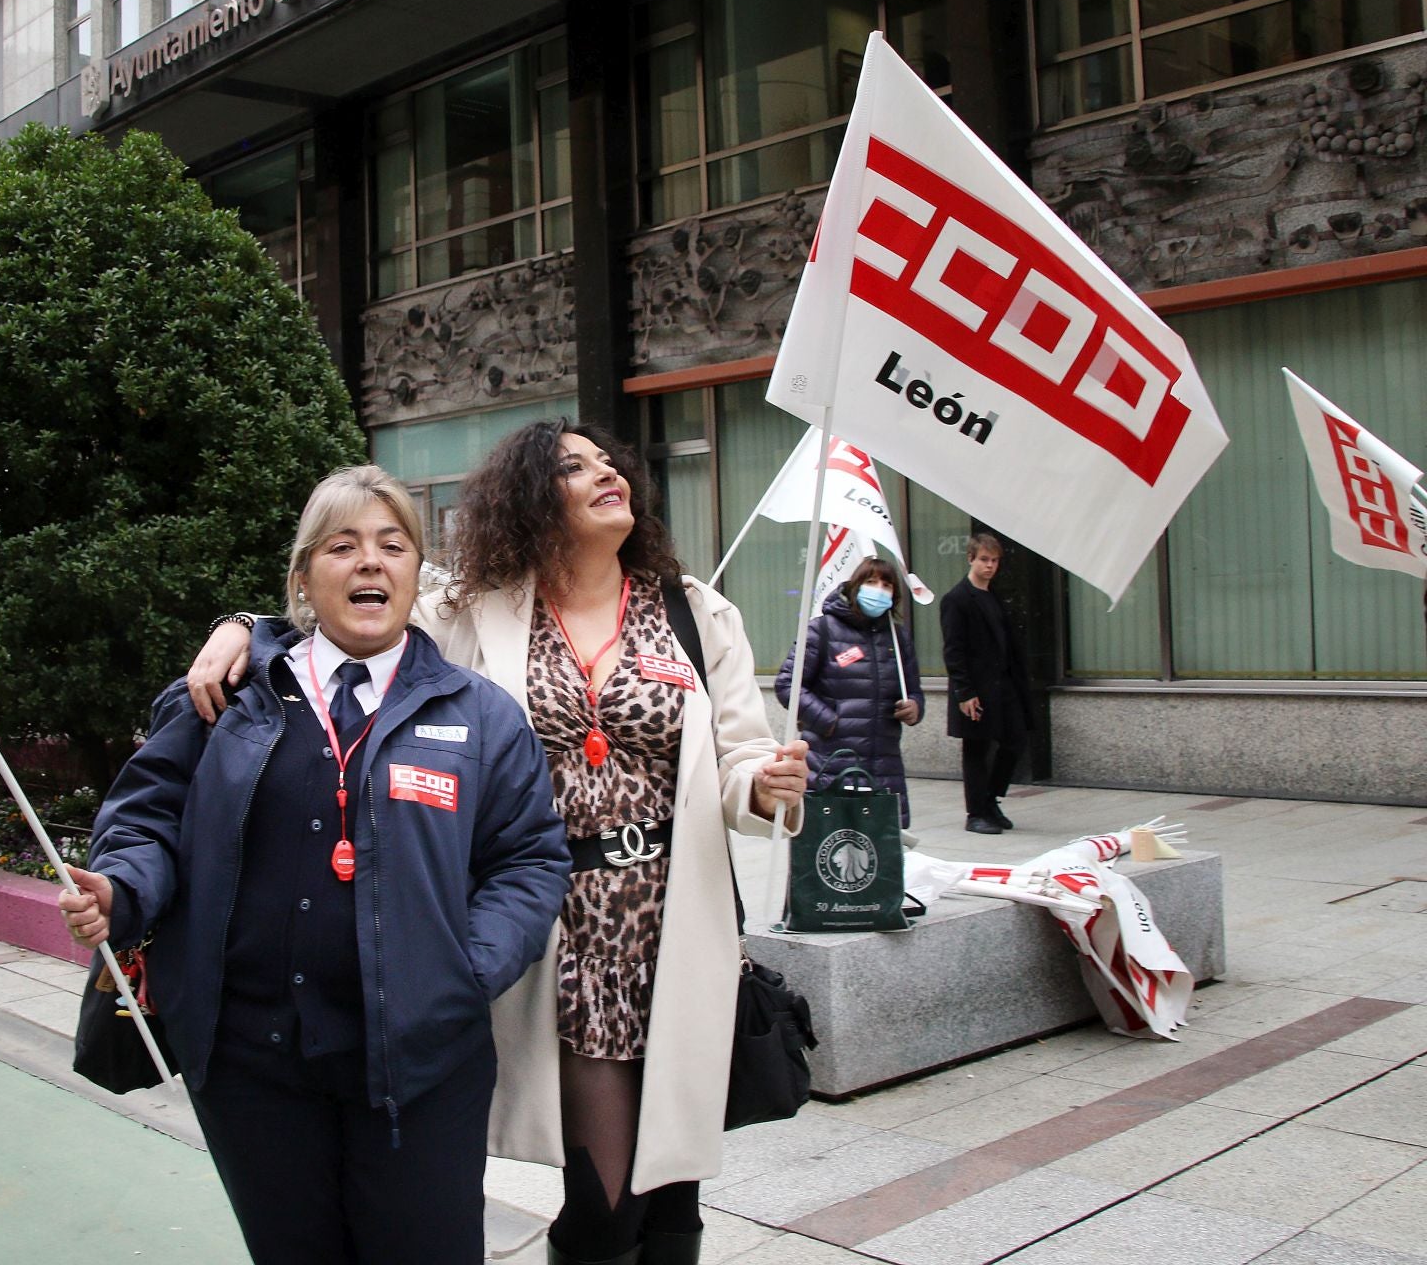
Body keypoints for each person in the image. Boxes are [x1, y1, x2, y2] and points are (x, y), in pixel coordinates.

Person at [188, 422, 810, 1265]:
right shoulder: (471, 612)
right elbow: (357, 605)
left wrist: (762, 786)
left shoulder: (695, 612)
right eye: (572, 467)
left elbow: (737, 752)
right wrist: (243, 626)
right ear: (528, 498)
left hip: (674, 919)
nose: (605, 473)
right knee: (606, 1192)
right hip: (555, 926)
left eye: (608, 460)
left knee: (672, 1193)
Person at [58, 465, 571, 1265]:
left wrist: (466, 969)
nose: (370, 562)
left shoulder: (480, 716)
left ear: (413, 573)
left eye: (391, 545)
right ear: (303, 578)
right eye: (343, 545)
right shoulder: (225, 697)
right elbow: (148, 820)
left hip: (420, 1063)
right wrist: (120, 889)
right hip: (250, 1066)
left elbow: (529, 860)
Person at [774, 558, 923, 826]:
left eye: (886, 585)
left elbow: (914, 690)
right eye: (871, 582)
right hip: (830, 762)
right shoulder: (822, 630)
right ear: (855, 586)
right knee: (829, 846)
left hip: (884, 767)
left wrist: (914, 707)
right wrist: (830, 722)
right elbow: (788, 684)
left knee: (879, 849)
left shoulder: (897, 637)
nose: (879, 590)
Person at [940, 534, 1032, 835]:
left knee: (1015, 739)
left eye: (994, 561)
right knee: (976, 748)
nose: (990, 566)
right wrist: (965, 692)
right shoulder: (957, 599)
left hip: (1003, 685)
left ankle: (990, 799)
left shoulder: (993, 595)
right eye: (984, 560)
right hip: (976, 689)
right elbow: (953, 650)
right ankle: (976, 813)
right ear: (971, 559)